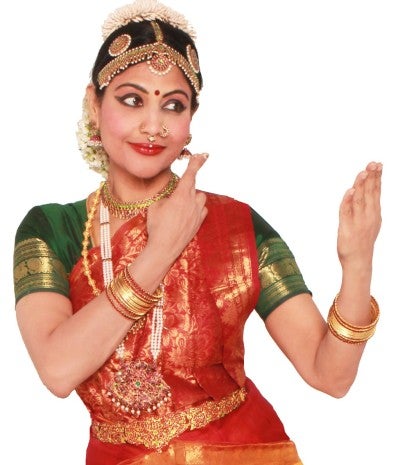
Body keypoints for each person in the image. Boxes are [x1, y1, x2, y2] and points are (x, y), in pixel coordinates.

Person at [13, 0, 382, 464]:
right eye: (132, 99)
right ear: (94, 102)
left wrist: (358, 263)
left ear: (189, 123)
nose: (153, 125)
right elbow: (58, 369)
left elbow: (330, 375)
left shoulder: (237, 226)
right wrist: (160, 250)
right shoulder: (52, 228)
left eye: (173, 105)